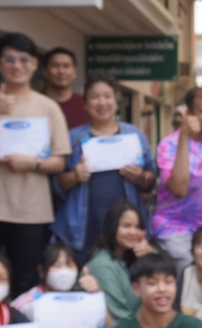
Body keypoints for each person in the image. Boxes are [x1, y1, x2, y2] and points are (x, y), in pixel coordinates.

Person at [0, 33, 72, 297]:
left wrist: (33, 163)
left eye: (24, 60)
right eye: (10, 59)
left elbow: (59, 161)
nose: (17, 66)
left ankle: (19, 324)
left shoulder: (48, 107)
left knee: (25, 283)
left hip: (31, 211)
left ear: (35, 64)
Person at [54, 73, 156, 263]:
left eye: (108, 96)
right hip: (82, 228)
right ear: (85, 104)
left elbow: (151, 180)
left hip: (127, 231)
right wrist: (75, 176)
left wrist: (141, 177)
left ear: (116, 102)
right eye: (95, 97)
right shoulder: (73, 137)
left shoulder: (134, 135)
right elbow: (57, 184)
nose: (102, 102)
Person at [153, 87, 202, 272]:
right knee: (190, 271)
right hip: (173, 226)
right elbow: (179, 189)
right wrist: (184, 137)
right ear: (189, 114)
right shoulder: (169, 145)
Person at [85, 199, 155, 323]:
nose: (133, 232)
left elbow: (166, 280)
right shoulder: (103, 265)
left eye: (137, 227)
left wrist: (151, 255)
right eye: (126, 226)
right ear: (112, 227)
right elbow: (117, 318)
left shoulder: (132, 256)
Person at [41, 46, 89, 129]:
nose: (61, 71)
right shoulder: (35, 103)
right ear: (45, 72)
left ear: (75, 72)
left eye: (66, 66)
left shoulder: (86, 105)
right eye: (55, 66)